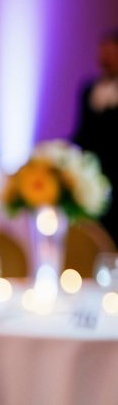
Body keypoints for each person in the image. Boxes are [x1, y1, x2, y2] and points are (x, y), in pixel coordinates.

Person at [73, 27, 118, 243]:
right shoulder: (88, 89)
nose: (106, 57)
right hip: (94, 176)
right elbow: (82, 132)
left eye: (111, 52)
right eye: (103, 51)